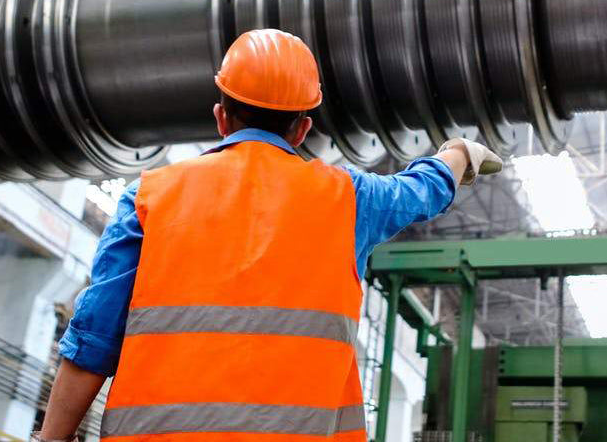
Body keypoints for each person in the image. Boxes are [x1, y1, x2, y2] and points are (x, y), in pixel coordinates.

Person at [35, 29, 502, 441]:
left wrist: (53, 437)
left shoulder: (150, 197)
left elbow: (93, 339)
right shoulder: (349, 198)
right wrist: (459, 153)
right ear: (302, 129)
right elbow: (423, 191)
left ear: (221, 117)